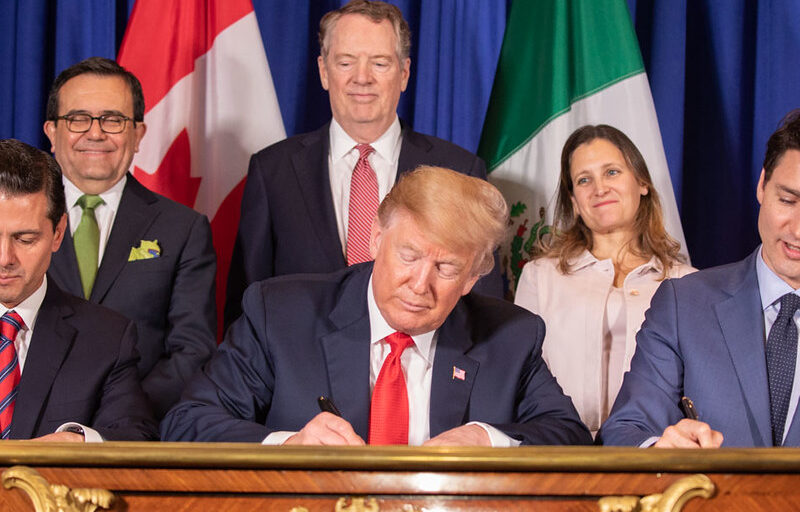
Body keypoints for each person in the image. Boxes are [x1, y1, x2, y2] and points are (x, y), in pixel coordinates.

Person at [162, 166, 591, 446]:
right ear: (375, 239)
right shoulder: (280, 314)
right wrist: (290, 445)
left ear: (473, 278)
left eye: (446, 267)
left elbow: (569, 436)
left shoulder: (510, 336)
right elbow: (187, 423)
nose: (419, 284)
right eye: (408, 256)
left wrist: (486, 439)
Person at [225, 0, 501, 330]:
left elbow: (484, 309)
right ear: (324, 72)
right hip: (299, 376)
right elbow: (246, 308)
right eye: (345, 62)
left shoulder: (459, 170)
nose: (362, 78)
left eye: (380, 63)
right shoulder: (273, 172)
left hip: (419, 374)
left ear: (404, 73)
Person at [599, 110, 800, 448]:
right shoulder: (684, 304)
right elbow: (625, 431)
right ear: (762, 185)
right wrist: (659, 450)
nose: (797, 229)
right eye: (788, 200)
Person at [43, 57, 217, 419]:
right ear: (51, 133)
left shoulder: (183, 229)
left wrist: (119, 413)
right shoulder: (13, 220)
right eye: (78, 119)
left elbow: (192, 350)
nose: (95, 133)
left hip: (131, 434)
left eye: (113, 120)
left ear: (138, 134)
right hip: (25, 430)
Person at [514, 125, 694, 436]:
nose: (600, 188)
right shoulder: (540, 278)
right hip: (559, 454)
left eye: (612, 172)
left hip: (651, 460)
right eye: (584, 180)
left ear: (642, 183)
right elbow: (520, 379)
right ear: (573, 199)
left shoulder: (688, 284)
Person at [0, 139, 157, 441]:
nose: (5, 258)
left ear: (58, 234)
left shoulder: (107, 338)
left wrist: (79, 442)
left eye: (25, 239)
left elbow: (135, 437)